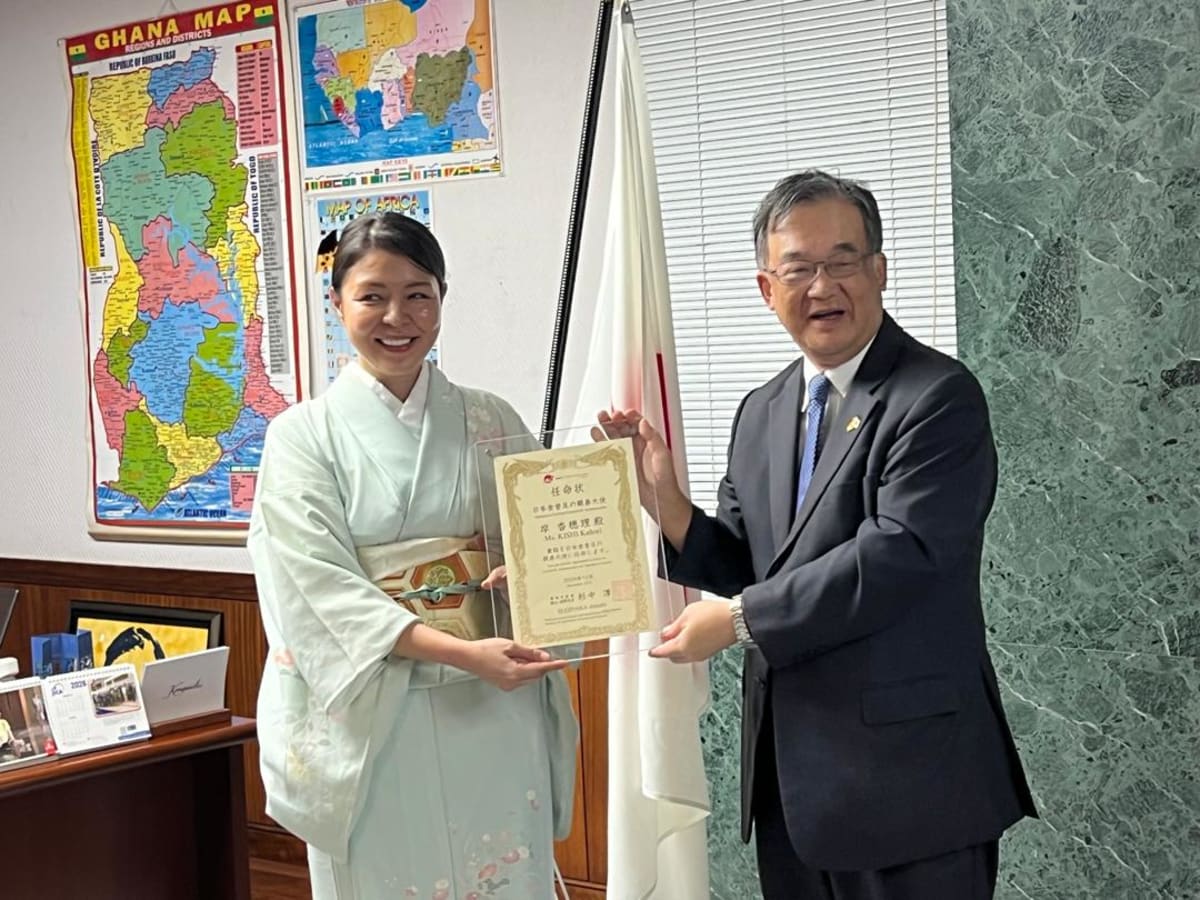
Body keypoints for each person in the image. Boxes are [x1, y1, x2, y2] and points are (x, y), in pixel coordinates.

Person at [597, 170, 1036, 899]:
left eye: (842, 261)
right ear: (768, 289)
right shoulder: (762, 410)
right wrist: (662, 498)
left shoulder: (936, 397)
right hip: (795, 789)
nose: (822, 285)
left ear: (879, 270)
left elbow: (901, 553)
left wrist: (738, 622)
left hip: (914, 785)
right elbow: (745, 561)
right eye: (798, 268)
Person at [249, 213, 578, 899]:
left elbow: (546, 541)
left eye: (418, 294)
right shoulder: (302, 438)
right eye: (372, 295)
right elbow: (314, 586)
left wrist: (535, 569)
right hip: (377, 716)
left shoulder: (491, 419)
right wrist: (458, 651)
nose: (397, 316)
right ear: (336, 302)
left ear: (441, 299)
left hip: (492, 703)